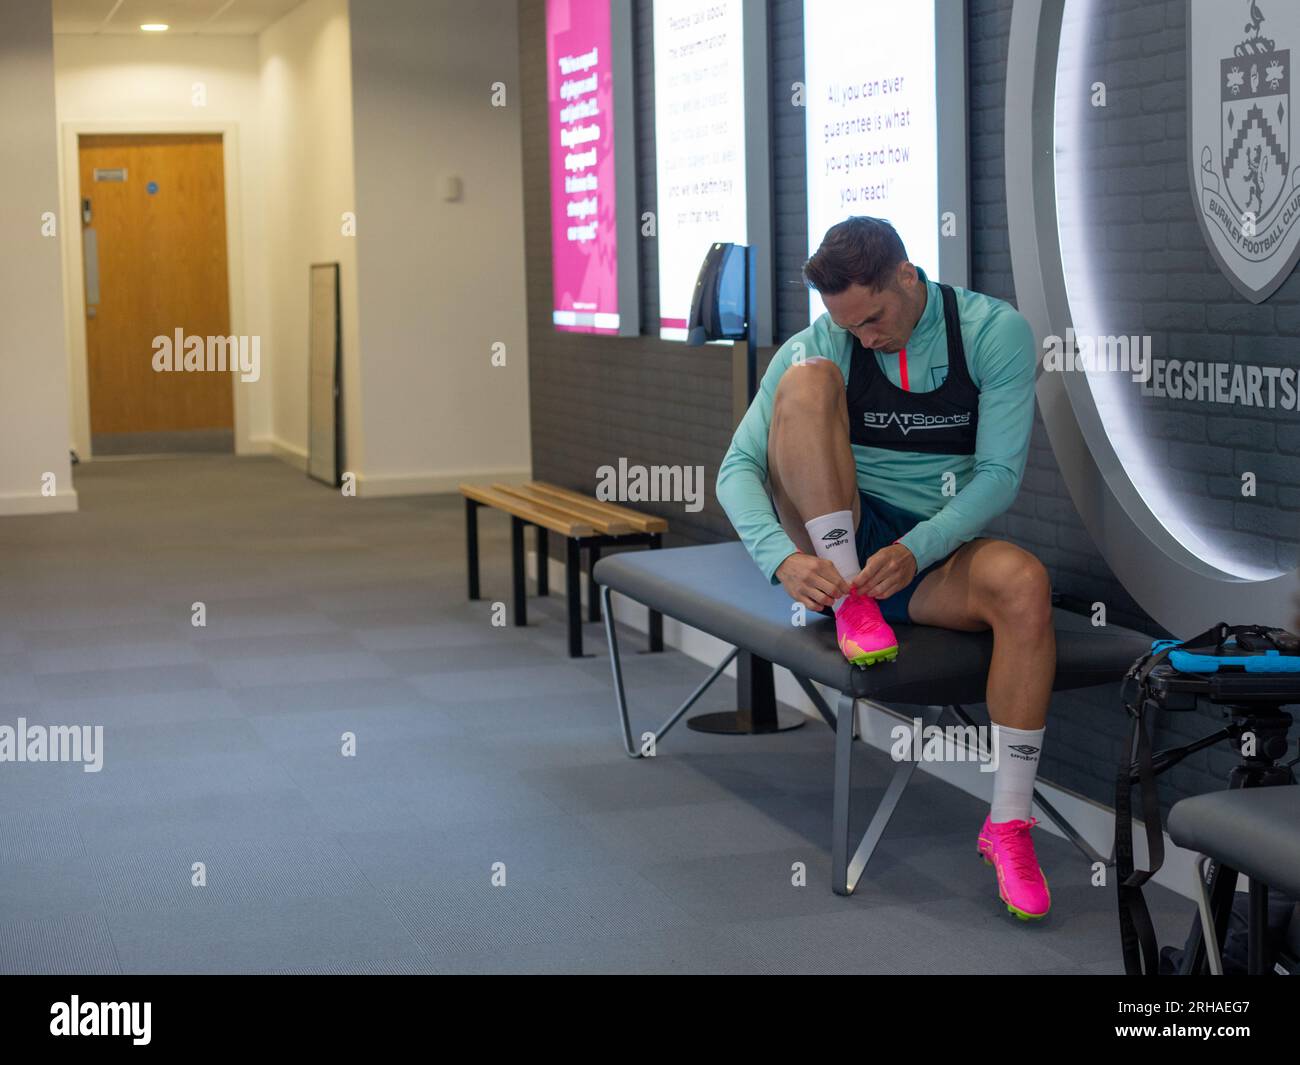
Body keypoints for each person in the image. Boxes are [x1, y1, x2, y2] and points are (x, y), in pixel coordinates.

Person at [716, 216, 1056, 919]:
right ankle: (849, 605)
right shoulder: (825, 341)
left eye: (874, 318)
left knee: (1024, 585)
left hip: (930, 547)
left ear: (909, 276)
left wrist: (916, 550)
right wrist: (782, 561)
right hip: (835, 538)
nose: (865, 338)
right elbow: (735, 472)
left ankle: (1010, 824)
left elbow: (998, 477)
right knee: (807, 382)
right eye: (851, 325)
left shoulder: (995, 333)